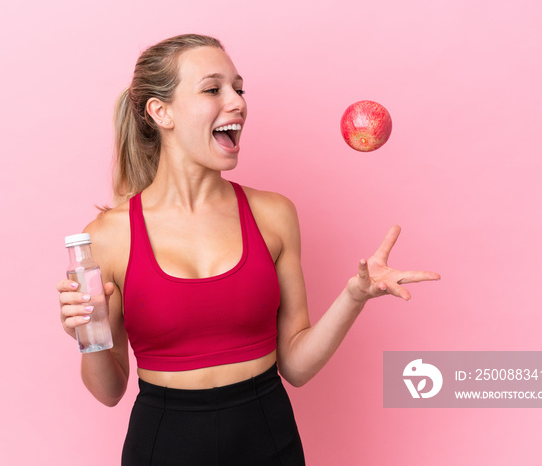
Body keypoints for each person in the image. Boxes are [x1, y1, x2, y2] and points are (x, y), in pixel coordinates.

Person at [56, 34, 440, 466]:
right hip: (163, 445)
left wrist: (354, 296)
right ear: (160, 111)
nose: (237, 102)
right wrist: (88, 337)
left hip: (268, 437)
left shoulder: (273, 215)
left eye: (238, 88)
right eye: (212, 89)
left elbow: (295, 365)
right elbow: (109, 391)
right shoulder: (109, 237)